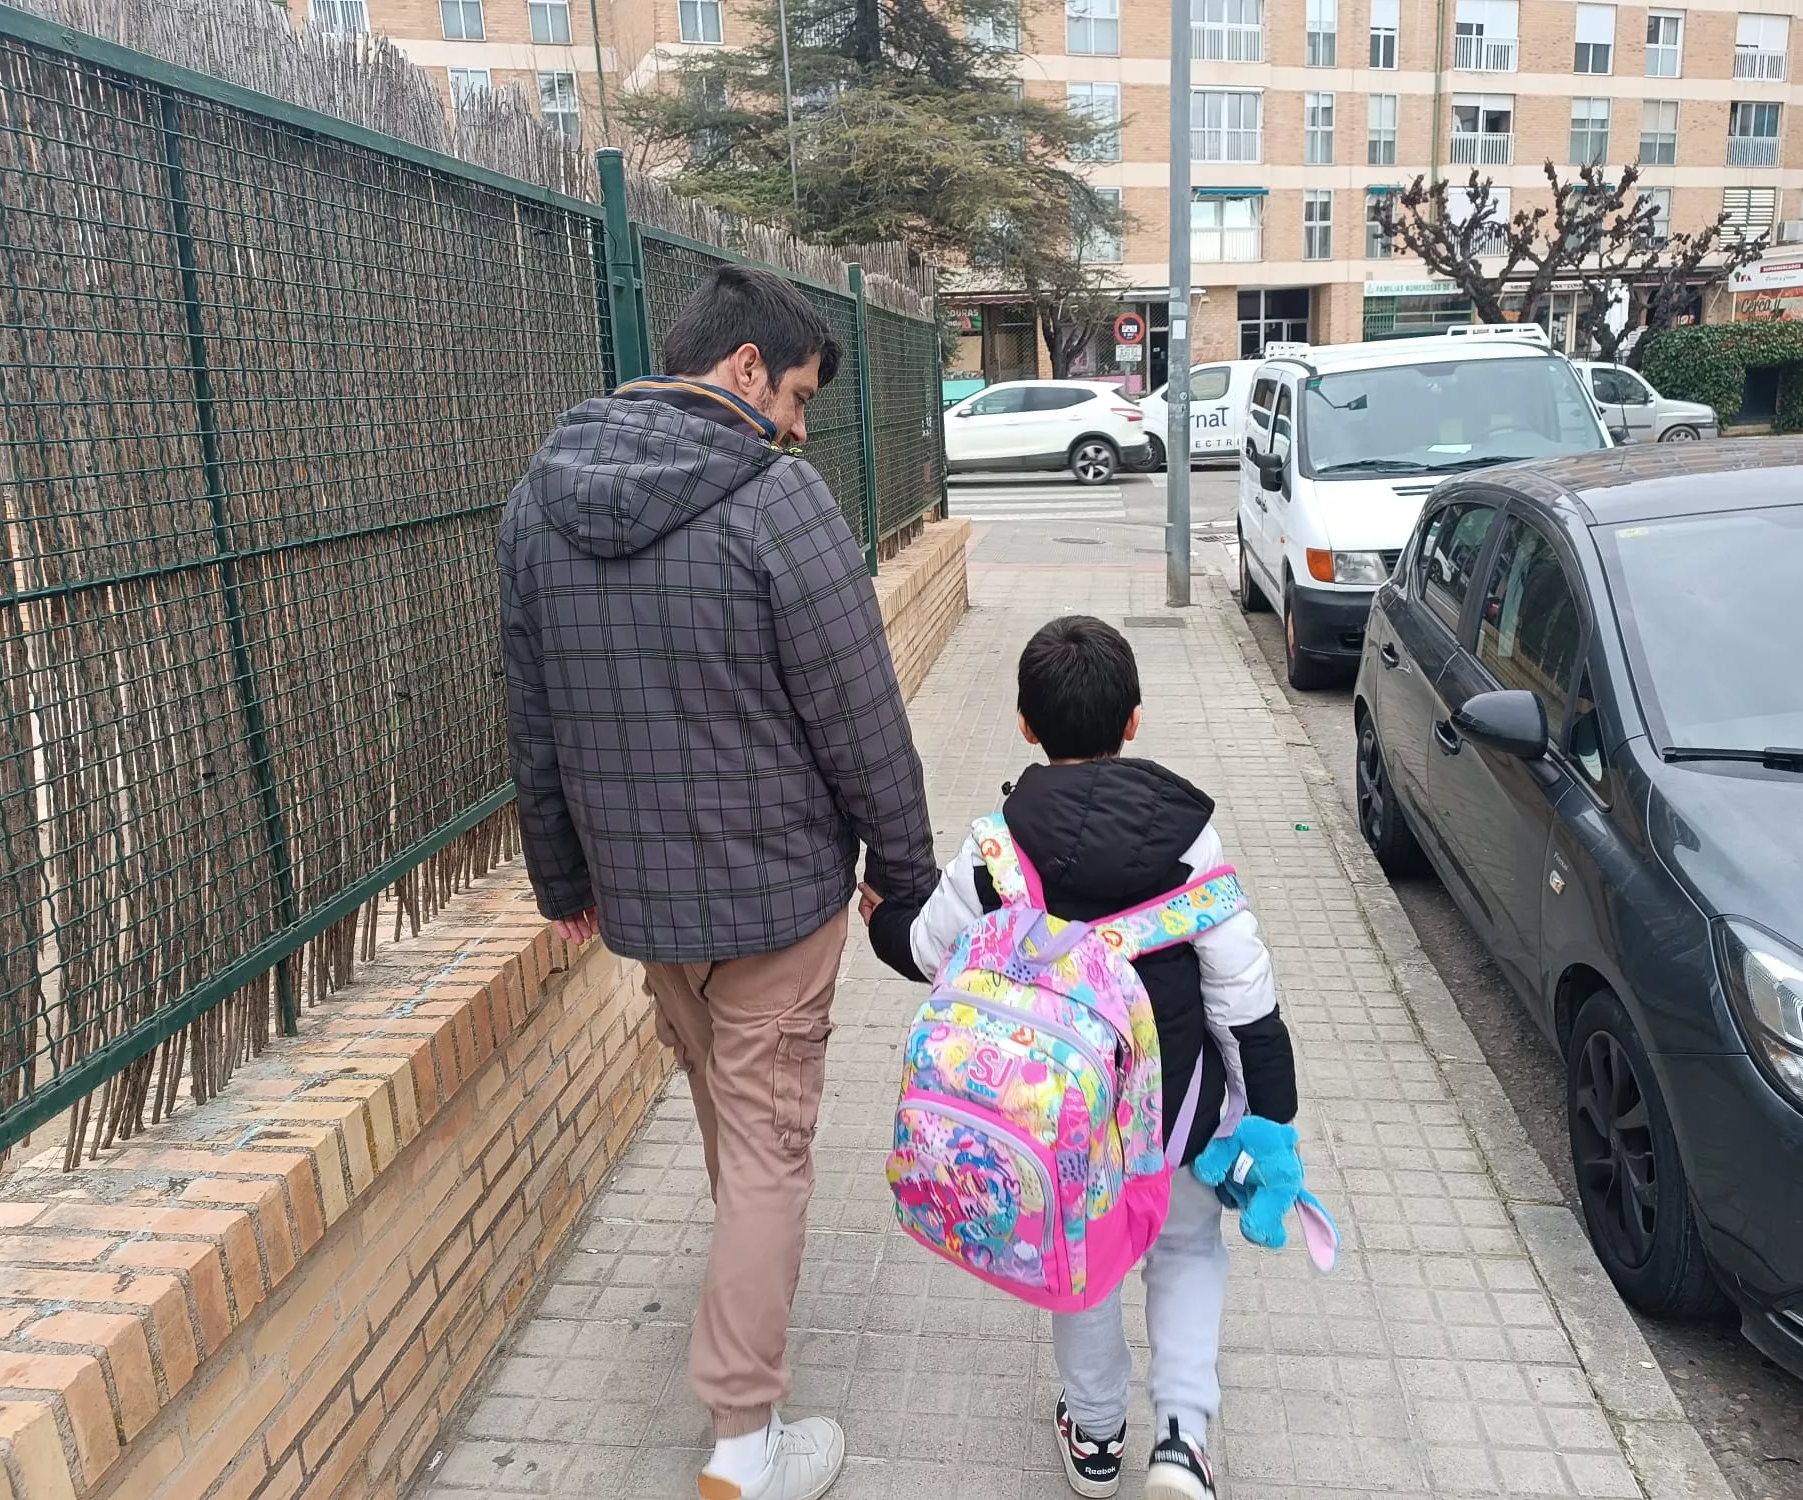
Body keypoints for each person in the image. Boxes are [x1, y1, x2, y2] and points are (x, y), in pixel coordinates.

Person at [498, 264, 937, 1500]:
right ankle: (746, 1446)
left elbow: (531, 718)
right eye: (797, 394)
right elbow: (862, 720)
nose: (800, 424)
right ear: (743, 368)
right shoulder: (776, 499)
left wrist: (561, 879)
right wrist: (902, 882)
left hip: (646, 910)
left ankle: (745, 1383)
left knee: (729, 1129)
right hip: (774, 904)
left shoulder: (539, 502)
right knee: (765, 1154)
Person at [864, 615, 1299, 1500]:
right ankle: (1182, 1437)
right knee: (1185, 1252)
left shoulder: (997, 845)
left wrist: (877, 912)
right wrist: (1270, 1113)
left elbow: (924, 950)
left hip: (1057, 1122)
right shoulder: (1189, 838)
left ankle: (1096, 1438)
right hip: (1177, 1112)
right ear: (1133, 720)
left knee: (1082, 1266)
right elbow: (1241, 988)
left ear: (1026, 726)